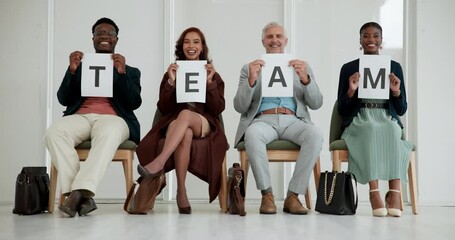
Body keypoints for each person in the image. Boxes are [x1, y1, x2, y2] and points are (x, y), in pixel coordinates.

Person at [44, 17, 142, 217]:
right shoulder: (80, 66)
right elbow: (63, 98)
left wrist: (121, 74)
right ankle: (82, 196)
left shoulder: (130, 71)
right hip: (81, 117)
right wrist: (71, 71)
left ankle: (74, 194)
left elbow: (134, 103)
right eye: (99, 33)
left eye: (109, 34)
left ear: (116, 39)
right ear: (93, 39)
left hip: (114, 119)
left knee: (108, 133)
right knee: (55, 131)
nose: (104, 36)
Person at [233, 22, 323, 215]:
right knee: (252, 134)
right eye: (270, 37)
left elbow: (316, 103)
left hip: (293, 120)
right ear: (263, 42)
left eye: (278, 36)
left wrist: (306, 79)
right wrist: (251, 80)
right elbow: (239, 106)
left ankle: (293, 196)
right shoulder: (249, 68)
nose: (275, 40)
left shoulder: (302, 67)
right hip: (263, 120)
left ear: (285, 41)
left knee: (315, 135)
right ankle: (267, 195)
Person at [136, 27, 227, 214]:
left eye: (196, 42)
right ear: (181, 46)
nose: (191, 46)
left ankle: (159, 163)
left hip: (204, 123)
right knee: (184, 131)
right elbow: (163, 108)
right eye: (187, 41)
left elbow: (218, 108)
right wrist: (170, 82)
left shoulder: (212, 74)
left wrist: (210, 82)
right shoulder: (173, 71)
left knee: (185, 115)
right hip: (176, 123)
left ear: (202, 47)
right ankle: (181, 191)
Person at [337, 22, 413, 217]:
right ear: (360, 41)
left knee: (393, 129)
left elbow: (402, 108)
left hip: (385, 115)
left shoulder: (394, 66)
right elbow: (343, 109)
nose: (371, 40)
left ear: (381, 40)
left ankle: (395, 192)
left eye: (375, 36)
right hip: (360, 118)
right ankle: (374, 192)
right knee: (370, 128)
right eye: (366, 36)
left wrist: (396, 92)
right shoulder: (348, 68)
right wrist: (352, 90)